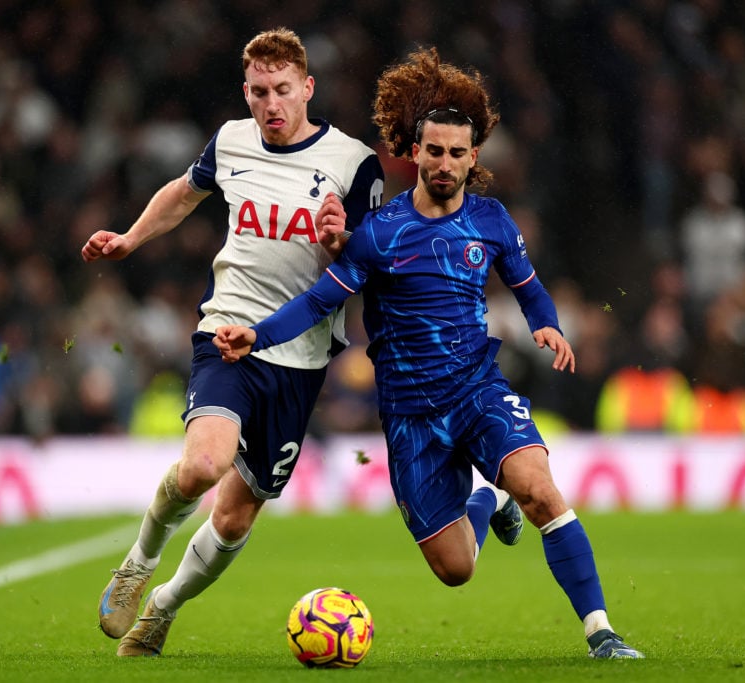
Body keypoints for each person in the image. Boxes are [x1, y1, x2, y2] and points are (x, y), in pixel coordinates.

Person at [215, 48, 643, 659]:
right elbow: (315, 303)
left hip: (477, 390)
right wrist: (257, 334)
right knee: (456, 569)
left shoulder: (491, 221)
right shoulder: (380, 234)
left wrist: (547, 326)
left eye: (456, 153)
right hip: (411, 415)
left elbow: (529, 286)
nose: (444, 163)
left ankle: (602, 632)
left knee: (542, 491)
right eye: (433, 151)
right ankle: (486, 499)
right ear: (414, 153)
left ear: (474, 158)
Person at [80, 28, 384, 657]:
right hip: (225, 332)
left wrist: (339, 241)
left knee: (235, 518)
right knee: (202, 467)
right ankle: (138, 564)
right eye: (257, 93)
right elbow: (183, 194)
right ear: (245, 94)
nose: (270, 105)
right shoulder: (232, 139)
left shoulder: (354, 163)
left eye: (281, 91)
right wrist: (131, 239)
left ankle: (163, 607)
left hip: (299, 359)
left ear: (307, 88)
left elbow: (366, 259)